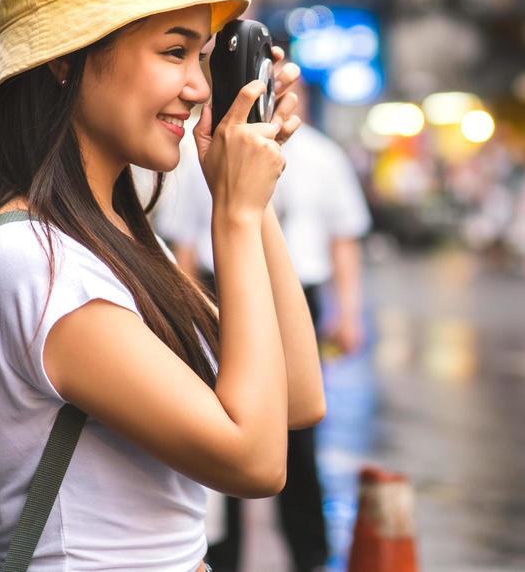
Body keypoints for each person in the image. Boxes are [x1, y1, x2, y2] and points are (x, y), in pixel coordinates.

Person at [0, 0, 325, 572]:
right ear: (66, 57)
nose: (199, 88)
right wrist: (229, 212)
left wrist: (252, 206)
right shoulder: (33, 262)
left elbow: (295, 398)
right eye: (175, 51)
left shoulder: (110, 239)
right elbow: (256, 461)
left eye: (203, 58)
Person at [158, 102, 370, 572]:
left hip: (298, 292)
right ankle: (225, 556)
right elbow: (187, 246)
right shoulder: (199, 153)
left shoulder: (322, 155)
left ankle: (308, 555)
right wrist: (189, 311)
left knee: (298, 445)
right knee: (224, 434)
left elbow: (343, 239)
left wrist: (347, 312)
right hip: (218, 289)